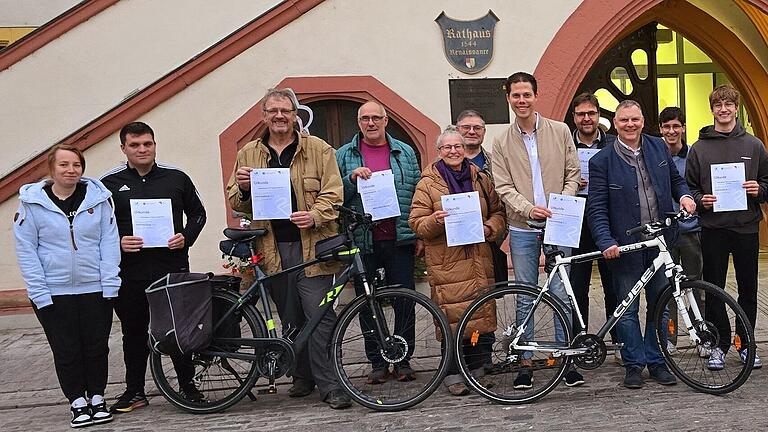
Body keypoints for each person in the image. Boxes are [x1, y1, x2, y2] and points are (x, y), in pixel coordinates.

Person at [227, 88, 351, 409]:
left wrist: (314, 214)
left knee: (320, 317)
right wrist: (242, 190)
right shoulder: (248, 154)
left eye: (286, 110)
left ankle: (330, 384)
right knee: (291, 318)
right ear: (264, 116)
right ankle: (302, 376)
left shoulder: (319, 149)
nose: (280, 116)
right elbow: (236, 203)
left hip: (313, 246)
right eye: (273, 111)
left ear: (296, 114)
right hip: (273, 248)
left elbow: (334, 193)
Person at [587, 100, 696, 389]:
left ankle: (657, 361)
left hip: (660, 241)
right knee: (628, 307)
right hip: (625, 245)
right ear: (616, 123)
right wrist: (605, 240)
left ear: (643, 120)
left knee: (660, 304)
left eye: (635, 119)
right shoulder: (601, 161)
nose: (630, 125)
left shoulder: (658, 147)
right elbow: (596, 207)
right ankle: (633, 364)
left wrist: (684, 196)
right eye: (624, 120)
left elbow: (676, 181)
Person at [101, 122, 207, 412]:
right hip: (130, 272)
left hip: (171, 267)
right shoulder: (108, 184)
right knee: (133, 332)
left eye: (147, 144)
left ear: (155, 145)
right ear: (124, 148)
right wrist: (119, 242)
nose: (142, 150)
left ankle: (187, 386)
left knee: (176, 329)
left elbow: (198, 214)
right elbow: (97, 228)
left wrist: (186, 237)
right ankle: (135, 391)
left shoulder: (176, 177)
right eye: (134, 145)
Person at [14, 144, 120, 428]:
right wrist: (39, 292)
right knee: (66, 349)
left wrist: (110, 283)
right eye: (64, 165)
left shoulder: (99, 200)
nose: (71, 170)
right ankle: (77, 402)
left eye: (76, 165)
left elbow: (109, 242)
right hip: (54, 290)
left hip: (94, 288)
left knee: (97, 348)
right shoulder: (32, 204)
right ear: (51, 170)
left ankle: (97, 398)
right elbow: (27, 250)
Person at [491, 72, 583, 388]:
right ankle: (525, 361)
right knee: (524, 294)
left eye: (526, 95)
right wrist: (528, 208)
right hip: (522, 227)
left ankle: (564, 359)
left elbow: (574, 173)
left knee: (561, 292)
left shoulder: (559, 131)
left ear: (535, 96)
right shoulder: (501, 141)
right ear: (508, 98)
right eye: (515, 95)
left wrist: (563, 201)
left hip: (559, 223)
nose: (521, 101)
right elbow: (502, 186)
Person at [409, 126, 506, 396]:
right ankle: (452, 372)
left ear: (465, 149)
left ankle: (477, 369)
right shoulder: (427, 183)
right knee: (452, 319)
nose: (453, 151)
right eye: (447, 147)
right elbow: (416, 224)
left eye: (458, 147)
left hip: (478, 257)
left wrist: (490, 228)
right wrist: (434, 220)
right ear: (438, 151)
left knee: (479, 318)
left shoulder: (480, 178)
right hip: (447, 262)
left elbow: (498, 210)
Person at [335, 100, 422, 383]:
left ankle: (404, 357)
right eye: (364, 119)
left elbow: (417, 192)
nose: (370, 123)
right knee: (367, 303)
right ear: (358, 122)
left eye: (375, 118)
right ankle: (377, 362)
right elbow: (334, 195)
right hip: (364, 239)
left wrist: (418, 232)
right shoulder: (345, 155)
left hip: (399, 237)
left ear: (386, 121)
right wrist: (351, 179)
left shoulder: (405, 152)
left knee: (404, 300)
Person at [685, 84, 768, 370]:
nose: (723, 109)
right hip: (713, 228)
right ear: (712, 110)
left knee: (748, 289)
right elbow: (690, 187)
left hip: (746, 227)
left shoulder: (754, 145)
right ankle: (718, 345)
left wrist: (759, 189)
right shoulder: (699, 148)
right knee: (714, 288)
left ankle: (745, 344)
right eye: (718, 104)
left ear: (736, 108)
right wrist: (700, 200)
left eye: (728, 104)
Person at [567, 93, 618, 344]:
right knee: (578, 284)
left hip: (608, 219)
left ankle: (619, 340)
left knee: (613, 283)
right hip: (576, 220)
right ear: (574, 117)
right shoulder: (565, 146)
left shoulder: (613, 144)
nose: (586, 118)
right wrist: (571, 184)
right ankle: (580, 341)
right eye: (581, 114)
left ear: (598, 116)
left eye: (591, 113)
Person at [658, 107, 702, 354]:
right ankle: (670, 339)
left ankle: (701, 334)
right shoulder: (655, 155)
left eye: (676, 126)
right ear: (661, 129)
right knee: (668, 289)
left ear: (683, 127)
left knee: (696, 284)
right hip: (665, 232)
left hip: (690, 230)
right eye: (667, 127)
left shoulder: (693, 155)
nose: (672, 131)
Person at [457, 109, 508, 284]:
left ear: (484, 132)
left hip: (488, 241)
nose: (472, 131)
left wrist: (493, 231)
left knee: (486, 298)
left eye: (477, 128)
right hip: (454, 247)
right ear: (457, 131)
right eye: (466, 127)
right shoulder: (441, 166)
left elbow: (503, 205)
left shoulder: (497, 164)